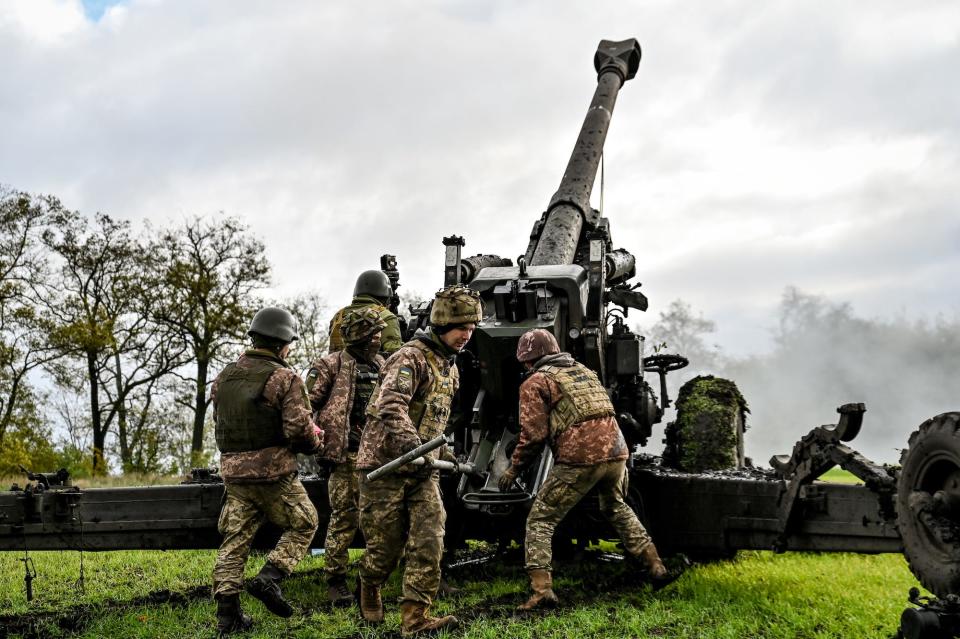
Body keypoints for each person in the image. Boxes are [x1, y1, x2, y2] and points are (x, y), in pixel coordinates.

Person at [498, 328, 672, 611]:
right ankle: (656, 566)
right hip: (616, 453)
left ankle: (542, 591)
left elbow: (533, 436)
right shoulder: (584, 371)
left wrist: (512, 470)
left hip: (580, 459)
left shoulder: (536, 381)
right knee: (616, 506)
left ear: (528, 360)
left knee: (540, 520)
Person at [355, 284, 481, 635]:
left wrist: (446, 454)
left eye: (472, 329)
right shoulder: (409, 358)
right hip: (385, 467)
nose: (466, 336)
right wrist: (416, 446)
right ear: (442, 325)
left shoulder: (450, 367)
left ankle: (416, 618)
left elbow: (436, 419)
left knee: (430, 539)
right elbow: (391, 405)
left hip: (423, 471)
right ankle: (369, 583)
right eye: (461, 329)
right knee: (386, 548)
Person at [211, 307, 323, 635]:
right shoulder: (285, 378)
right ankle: (269, 579)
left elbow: (221, 423)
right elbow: (299, 432)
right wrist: (316, 441)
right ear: (280, 343)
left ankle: (227, 616)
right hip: (274, 474)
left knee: (235, 540)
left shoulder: (224, 377)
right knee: (306, 523)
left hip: (234, 474)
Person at [305, 307, 387, 606]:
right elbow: (305, 404)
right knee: (343, 519)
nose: (378, 339)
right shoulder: (330, 365)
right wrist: (313, 438)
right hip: (345, 456)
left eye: (379, 333)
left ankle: (369, 580)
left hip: (377, 458)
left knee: (378, 520)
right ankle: (335, 581)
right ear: (360, 336)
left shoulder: (382, 365)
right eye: (373, 334)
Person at [328, 269, 403, 355]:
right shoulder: (386, 316)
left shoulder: (338, 316)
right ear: (386, 295)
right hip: (372, 368)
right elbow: (395, 357)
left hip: (335, 367)